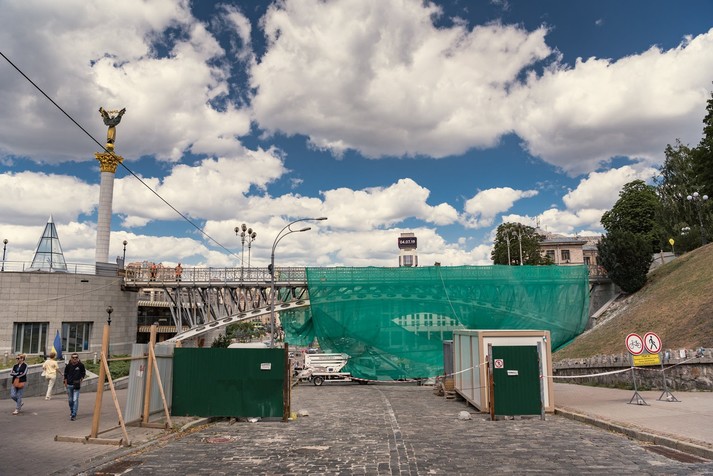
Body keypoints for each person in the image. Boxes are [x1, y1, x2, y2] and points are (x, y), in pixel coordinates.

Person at [63, 353, 86, 421]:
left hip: (76, 385)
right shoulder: (68, 366)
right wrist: (66, 384)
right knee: (70, 400)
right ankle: (72, 410)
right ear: (71, 358)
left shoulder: (81, 365)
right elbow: (65, 375)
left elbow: (83, 373)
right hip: (69, 385)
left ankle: (74, 414)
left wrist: (81, 380)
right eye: (73, 357)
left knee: (75, 399)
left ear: (78, 358)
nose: (75, 359)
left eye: (76, 357)